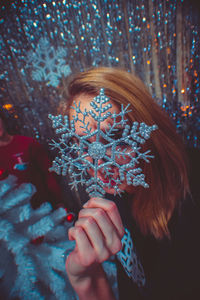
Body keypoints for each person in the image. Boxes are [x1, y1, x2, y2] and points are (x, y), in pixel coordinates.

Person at [64, 67, 200, 300]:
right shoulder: (108, 195)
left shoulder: (191, 183)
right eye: (85, 144)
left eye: (114, 137)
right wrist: (84, 279)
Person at [0, 110, 62, 209]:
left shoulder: (27, 144)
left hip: (45, 209)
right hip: (15, 217)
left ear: (2, 119)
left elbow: (49, 173)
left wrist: (58, 201)